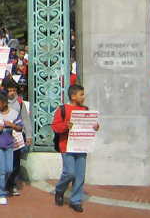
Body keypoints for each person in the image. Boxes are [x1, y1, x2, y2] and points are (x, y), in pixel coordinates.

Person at [52, 85, 99, 213]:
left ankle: (76, 200)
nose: (83, 97)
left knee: (80, 174)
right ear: (73, 96)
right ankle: (60, 190)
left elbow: (90, 127)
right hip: (66, 146)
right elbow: (55, 127)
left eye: (83, 94)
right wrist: (66, 126)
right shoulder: (63, 109)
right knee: (69, 172)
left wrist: (95, 127)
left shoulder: (85, 109)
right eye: (81, 94)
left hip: (82, 146)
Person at [0, 91, 23, 205]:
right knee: (1, 169)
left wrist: (13, 126)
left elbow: (20, 128)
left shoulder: (14, 113)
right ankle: (1, 193)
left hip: (9, 145)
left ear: (5, 103)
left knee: (9, 169)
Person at [5, 81, 32, 196]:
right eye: (9, 91)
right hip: (2, 136)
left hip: (16, 136)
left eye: (13, 91)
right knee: (4, 164)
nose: (11, 93)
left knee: (15, 162)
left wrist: (29, 134)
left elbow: (25, 118)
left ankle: (11, 185)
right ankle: (1, 183)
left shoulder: (20, 102)